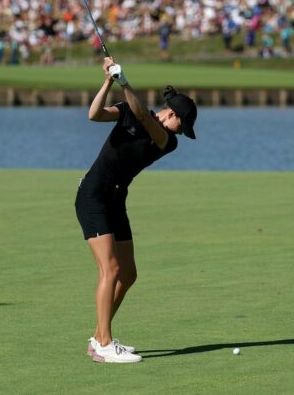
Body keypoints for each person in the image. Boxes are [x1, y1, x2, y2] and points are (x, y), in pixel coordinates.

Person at [76, 56, 198, 363]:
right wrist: (109, 81)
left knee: (127, 274)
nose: (180, 132)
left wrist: (125, 81)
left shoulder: (166, 141)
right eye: (181, 125)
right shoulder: (128, 110)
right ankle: (104, 343)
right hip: (93, 196)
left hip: (116, 200)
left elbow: (144, 117)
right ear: (171, 114)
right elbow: (93, 114)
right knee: (111, 269)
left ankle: (98, 336)